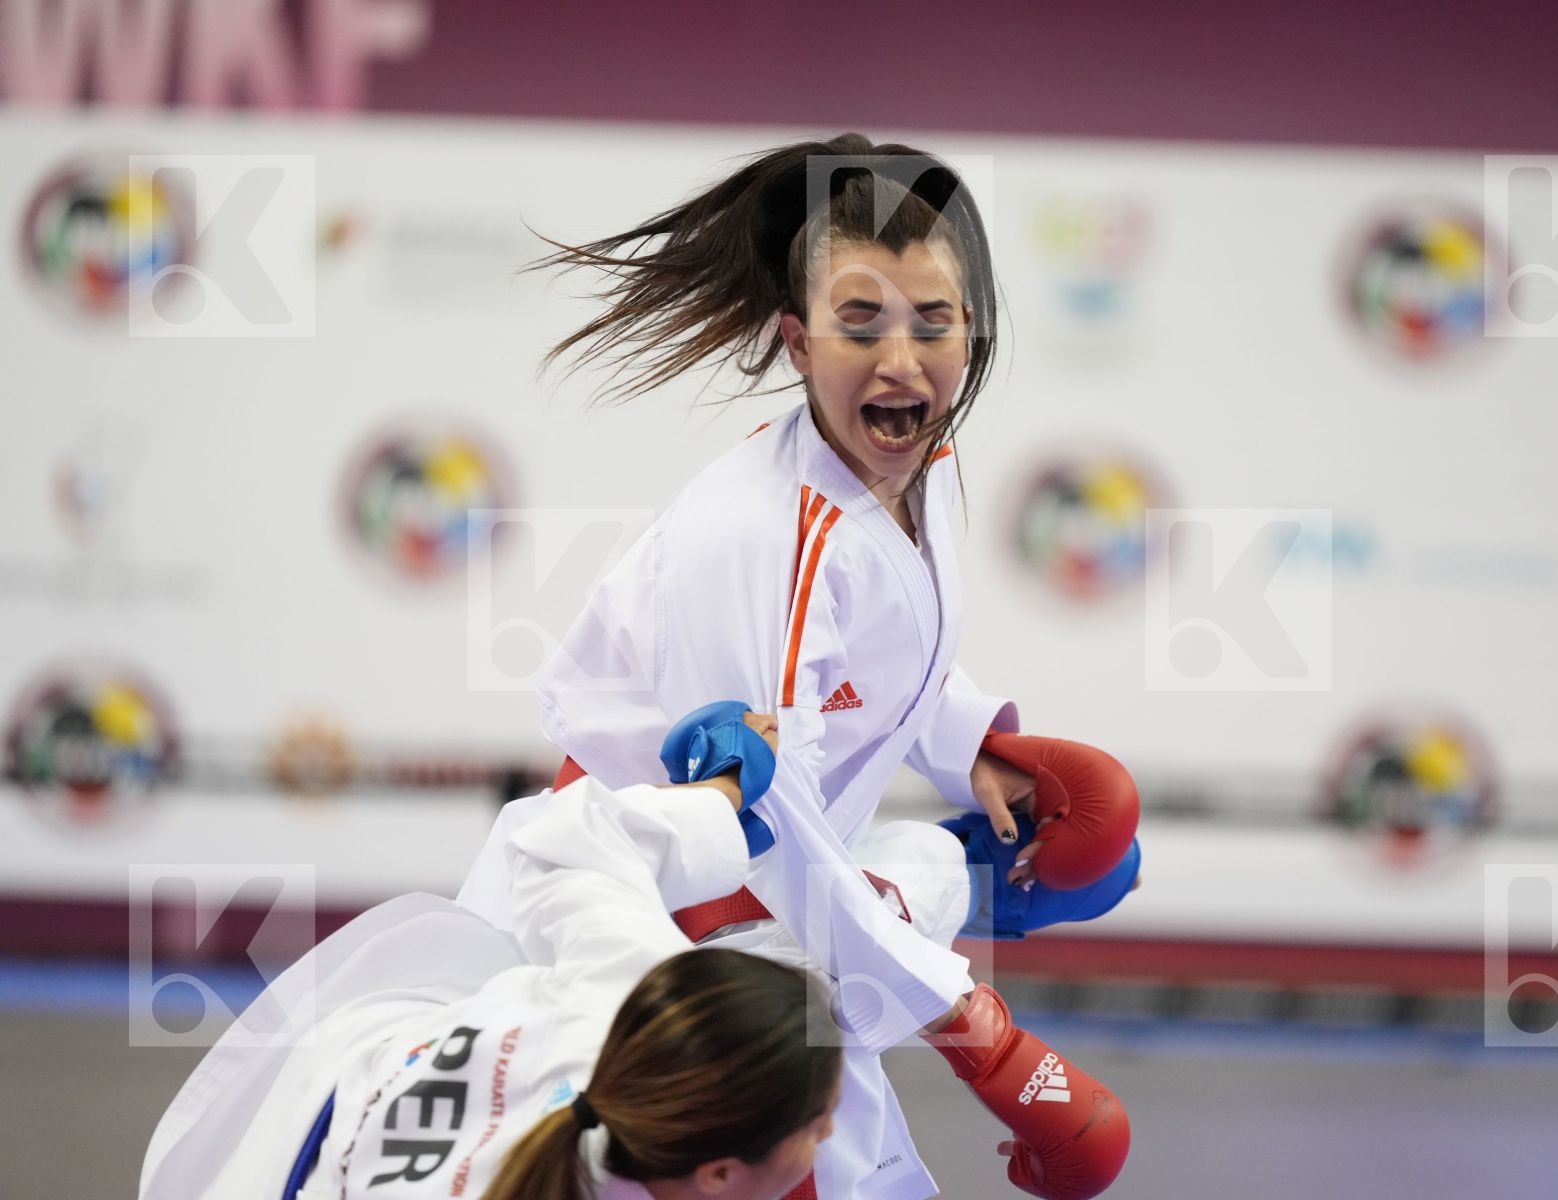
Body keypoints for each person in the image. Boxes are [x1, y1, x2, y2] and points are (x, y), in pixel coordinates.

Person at [457, 133, 1137, 1200]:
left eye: (933, 322)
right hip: (659, 922)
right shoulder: (758, 540)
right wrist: (989, 1044)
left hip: (767, 919)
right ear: (797, 341)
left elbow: (876, 661)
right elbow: (772, 832)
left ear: (975, 331)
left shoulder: (914, 466)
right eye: (859, 323)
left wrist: (977, 747)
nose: (900, 361)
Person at [141, 709, 844, 1200]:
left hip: (346, 1076)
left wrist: (718, 795)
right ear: (719, 1175)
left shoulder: (629, 1001)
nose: (832, 1130)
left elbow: (575, 842)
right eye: (817, 1128)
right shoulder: (620, 1004)